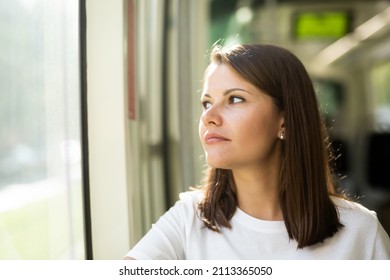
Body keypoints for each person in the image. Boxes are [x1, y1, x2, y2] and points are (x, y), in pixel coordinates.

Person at [125, 43, 390, 259]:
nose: (209, 117)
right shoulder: (187, 220)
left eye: (235, 99)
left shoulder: (361, 231)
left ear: (284, 122)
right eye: (206, 103)